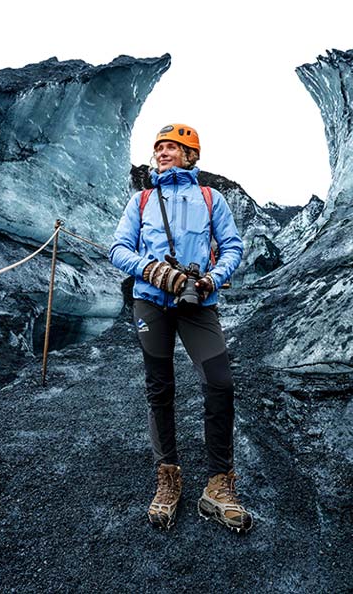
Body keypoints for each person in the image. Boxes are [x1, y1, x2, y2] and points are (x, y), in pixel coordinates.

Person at [109, 123, 252, 533]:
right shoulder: (141, 201)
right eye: (160, 148)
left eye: (172, 147)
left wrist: (211, 278)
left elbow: (233, 247)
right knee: (160, 387)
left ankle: (219, 484)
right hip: (151, 302)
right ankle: (168, 478)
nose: (163, 153)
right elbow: (118, 249)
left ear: (191, 155)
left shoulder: (211, 198)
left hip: (197, 303)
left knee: (221, 384)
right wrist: (152, 270)